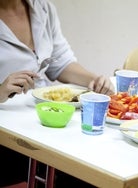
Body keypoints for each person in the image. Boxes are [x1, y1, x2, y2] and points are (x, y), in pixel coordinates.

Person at [0, 0, 114, 187]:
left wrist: (93, 80)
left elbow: (60, 63)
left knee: (93, 161)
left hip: (46, 121)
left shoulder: (43, 7)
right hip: (8, 135)